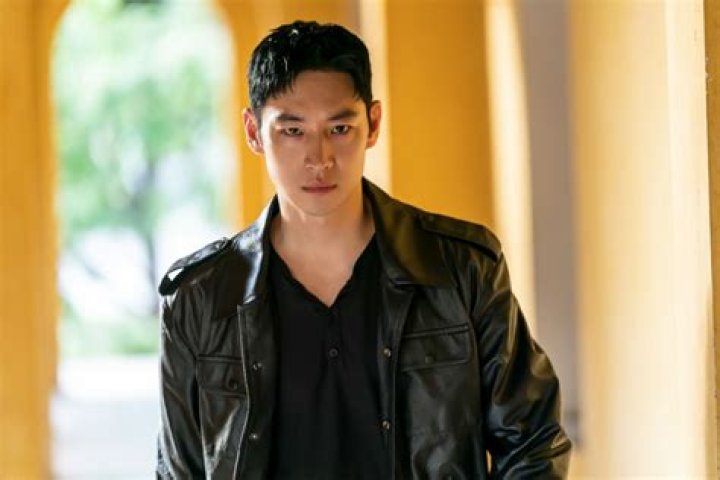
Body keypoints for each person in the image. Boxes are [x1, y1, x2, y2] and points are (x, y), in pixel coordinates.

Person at [156, 20, 571, 479]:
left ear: (372, 124)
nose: (319, 158)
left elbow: (532, 441)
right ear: (254, 131)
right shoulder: (199, 298)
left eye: (339, 128)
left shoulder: (462, 268)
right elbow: (179, 472)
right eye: (292, 130)